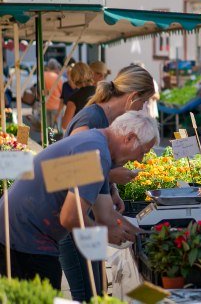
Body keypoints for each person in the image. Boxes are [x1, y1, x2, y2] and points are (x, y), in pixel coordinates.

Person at [0, 111, 159, 290]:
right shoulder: (96, 153)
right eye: (142, 151)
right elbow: (70, 217)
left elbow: (105, 213)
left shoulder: (96, 144)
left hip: (20, 231)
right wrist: (103, 234)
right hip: (23, 237)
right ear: (129, 138)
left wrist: (142, 236)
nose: (140, 159)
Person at [60, 64, 156, 302]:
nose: (143, 109)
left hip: (83, 214)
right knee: (89, 293)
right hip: (73, 219)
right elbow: (71, 170)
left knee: (98, 289)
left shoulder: (101, 118)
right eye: (144, 102)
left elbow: (92, 167)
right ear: (133, 97)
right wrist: (111, 176)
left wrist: (110, 188)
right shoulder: (92, 118)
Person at [61, 63, 96, 130]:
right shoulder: (101, 92)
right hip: (101, 135)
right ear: (90, 73)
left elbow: (65, 125)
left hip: (83, 136)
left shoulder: (73, 99)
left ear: (73, 78)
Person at [44, 58, 63, 129]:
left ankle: (48, 140)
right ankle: (55, 140)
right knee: (56, 129)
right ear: (56, 67)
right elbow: (62, 92)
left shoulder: (43, 75)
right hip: (56, 106)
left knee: (48, 128)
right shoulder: (58, 78)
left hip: (46, 104)